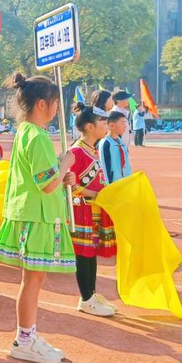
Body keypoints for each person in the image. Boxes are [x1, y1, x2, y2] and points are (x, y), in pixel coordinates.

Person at [0, 74, 76, 363]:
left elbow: (46, 177)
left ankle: (27, 335)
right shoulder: (36, 136)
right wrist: (65, 162)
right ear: (43, 104)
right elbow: (46, 183)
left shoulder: (27, 131)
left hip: (33, 213)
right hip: (36, 215)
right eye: (54, 104)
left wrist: (61, 172)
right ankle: (25, 338)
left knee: (34, 279)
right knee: (33, 279)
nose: (56, 110)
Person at [68, 104, 117, 317]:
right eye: (103, 123)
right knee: (84, 255)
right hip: (82, 211)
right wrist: (94, 194)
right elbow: (70, 185)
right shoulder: (77, 151)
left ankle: (91, 294)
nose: (106, 125)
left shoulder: (93, 149)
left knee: (91, 255)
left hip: (93, 210)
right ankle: (85, 297)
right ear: (89, 127)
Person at [99, 110, 131, 184]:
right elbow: (104, 167)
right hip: (113, 185)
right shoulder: (106, 143)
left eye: (125, 123)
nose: (125, 126)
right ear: (111, 125)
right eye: (122, 123)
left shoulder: (121, 143)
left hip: (125, 183)